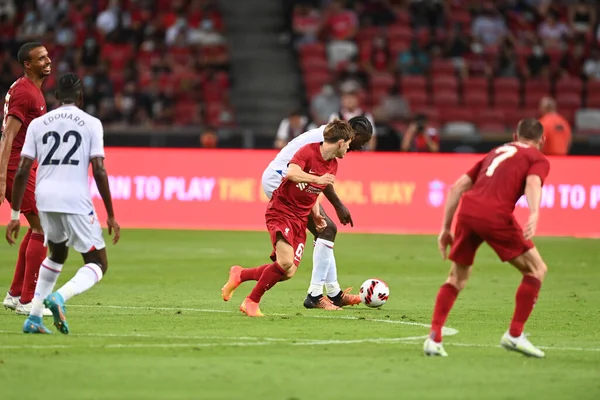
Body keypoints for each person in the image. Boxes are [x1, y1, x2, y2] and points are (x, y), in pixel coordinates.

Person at [424, 118, 550, 358]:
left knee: (456, 277)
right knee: (536, 270)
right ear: (541, 140)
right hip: (495, 216)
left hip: (468, 212)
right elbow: (533, 182)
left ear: (515, 136)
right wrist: (534, 212)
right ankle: (514, 335)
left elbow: (458, 187)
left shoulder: (496, 151)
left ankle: (434, 338)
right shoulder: (537, 157)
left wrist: (445, 228)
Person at [5, 73, 120, 334]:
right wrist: (111, 214)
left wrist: (14, 214)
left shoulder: (39, 124)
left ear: (55, 96)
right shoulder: (91, 123)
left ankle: (34, 318)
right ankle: (60, 297)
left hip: (44, 197)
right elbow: (99, 169)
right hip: (74, 198)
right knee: (98, 262)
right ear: (81, 97)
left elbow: (22, 169)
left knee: (57, 254)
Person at [221, 120, 355, 317]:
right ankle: (251, 301)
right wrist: (317, 179)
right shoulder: (307, 151)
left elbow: (313, 191)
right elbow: (292, 173)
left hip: (300, 218)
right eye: (350, 143)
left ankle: (240, 274)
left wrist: (316, 213)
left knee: (288, 271)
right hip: (281, 211)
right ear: (341, 142)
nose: (350, 148)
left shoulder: (332, 165)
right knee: (284, 263)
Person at [253, 116, 372, 310]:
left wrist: (337, 205)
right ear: (353, 135)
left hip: (288, 178)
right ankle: (316, 295)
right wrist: (339, 206)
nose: (360, 147)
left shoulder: (331, 138)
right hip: (279, 178)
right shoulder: (323, 140)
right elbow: (313, 175)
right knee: (326, 230)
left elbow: (320, 176)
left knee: (326, 231)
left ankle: (333, 294)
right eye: (362, 142)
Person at [1, 42, 52, 316]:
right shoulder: (25, 92)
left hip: (25, 165)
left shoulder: (32, 90)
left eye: (47, 56)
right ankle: (28, 301)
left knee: (37, 226)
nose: (48, 60)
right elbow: (8, 135)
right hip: (14, 167)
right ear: (28, 64)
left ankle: (15, 294)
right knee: (43, 228)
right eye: (41, 58)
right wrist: (1, 178)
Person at [328, 83, 376, 150]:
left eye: (352, 98)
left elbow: (372, 138)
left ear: (358, 99)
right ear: (342, 100)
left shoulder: (366, 116)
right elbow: (330, 138)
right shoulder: (335, 116)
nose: (349, 101)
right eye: (346, 98)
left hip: (361, 154)